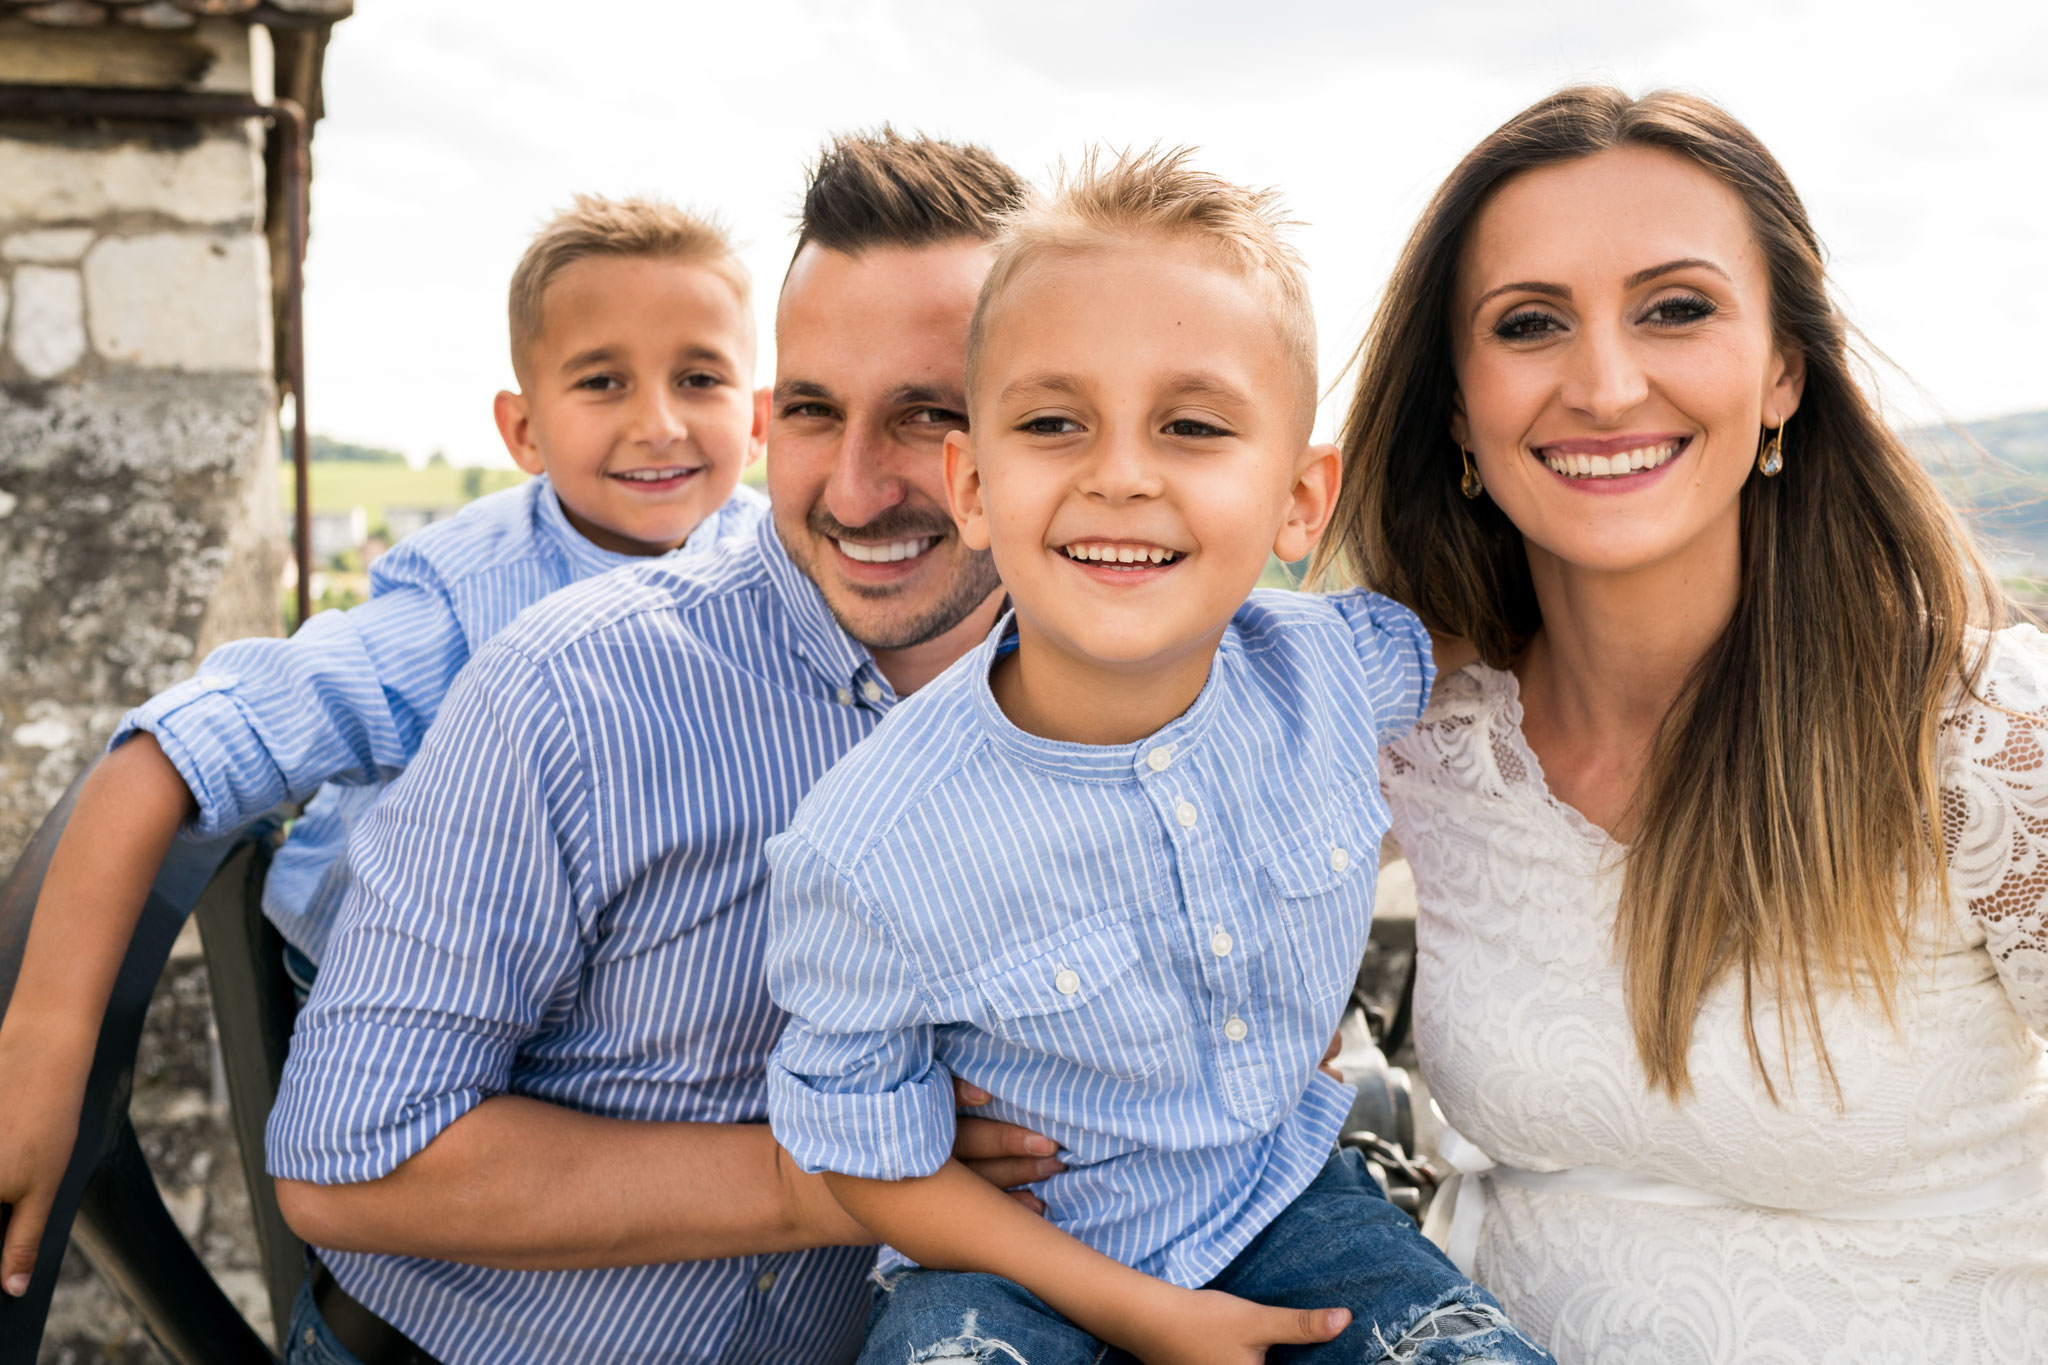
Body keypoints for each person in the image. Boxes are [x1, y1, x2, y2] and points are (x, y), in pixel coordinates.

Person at [263, 131, 1061, 1365]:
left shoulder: (1121, 694)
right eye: (809, 409)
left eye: (927, 413)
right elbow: (350, 1161)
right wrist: (831, 1181)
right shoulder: (572, 691)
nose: (851, 492)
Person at [764, 149, 1552, 1365]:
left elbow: (1542, 628)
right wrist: (1148, 1317)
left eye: (1190, 426)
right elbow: (862, 1156)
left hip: (1284, 1202)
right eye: (1051, 423)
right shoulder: (870, 843)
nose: (1120, 474)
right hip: (1012, 1261)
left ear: (1298, 502)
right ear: (973, 485)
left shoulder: (1337, 671)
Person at [1331, 86, 2048, 1357]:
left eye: (1675, 308)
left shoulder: (1970, 732)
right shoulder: (1412, 741)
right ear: (1455, 405)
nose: (1605, 384)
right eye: (1530, 323)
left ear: (1782, 371)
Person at [0, 194, 768, 1298]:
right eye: (602, 381)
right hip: (420, 985)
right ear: (523, 428)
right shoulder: (464, 601)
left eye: (699, 378)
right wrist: (47, 1040)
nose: (657, 421)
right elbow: (174, 751)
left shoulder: (775, 565)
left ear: (758, 415)